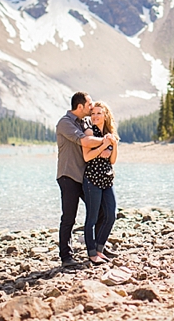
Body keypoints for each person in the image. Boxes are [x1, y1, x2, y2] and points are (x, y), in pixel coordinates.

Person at [55, 92, 105, 267]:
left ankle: (97, 249)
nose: (91, 108)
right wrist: (106, 141)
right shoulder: (65, 123)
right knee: (69, 217)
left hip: (84, 177)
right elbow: (85, 142)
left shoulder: (85, 122)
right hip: (68, 176)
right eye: (89, 105)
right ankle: (66, 257)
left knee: (100, 211)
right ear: (80, 106)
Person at [81, 100, 119, 264]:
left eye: (98, 113)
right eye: (93, 113)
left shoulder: (109, 132)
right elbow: (87, 157)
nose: (95, 116)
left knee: (111, 215)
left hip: (107, 178)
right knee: (92, 218)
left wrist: (113, 145)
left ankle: (100, 248)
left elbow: (113, 160)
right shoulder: (90, 131)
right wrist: (103, 145)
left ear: (105, 115)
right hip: (92, 179)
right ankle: (92, 253)